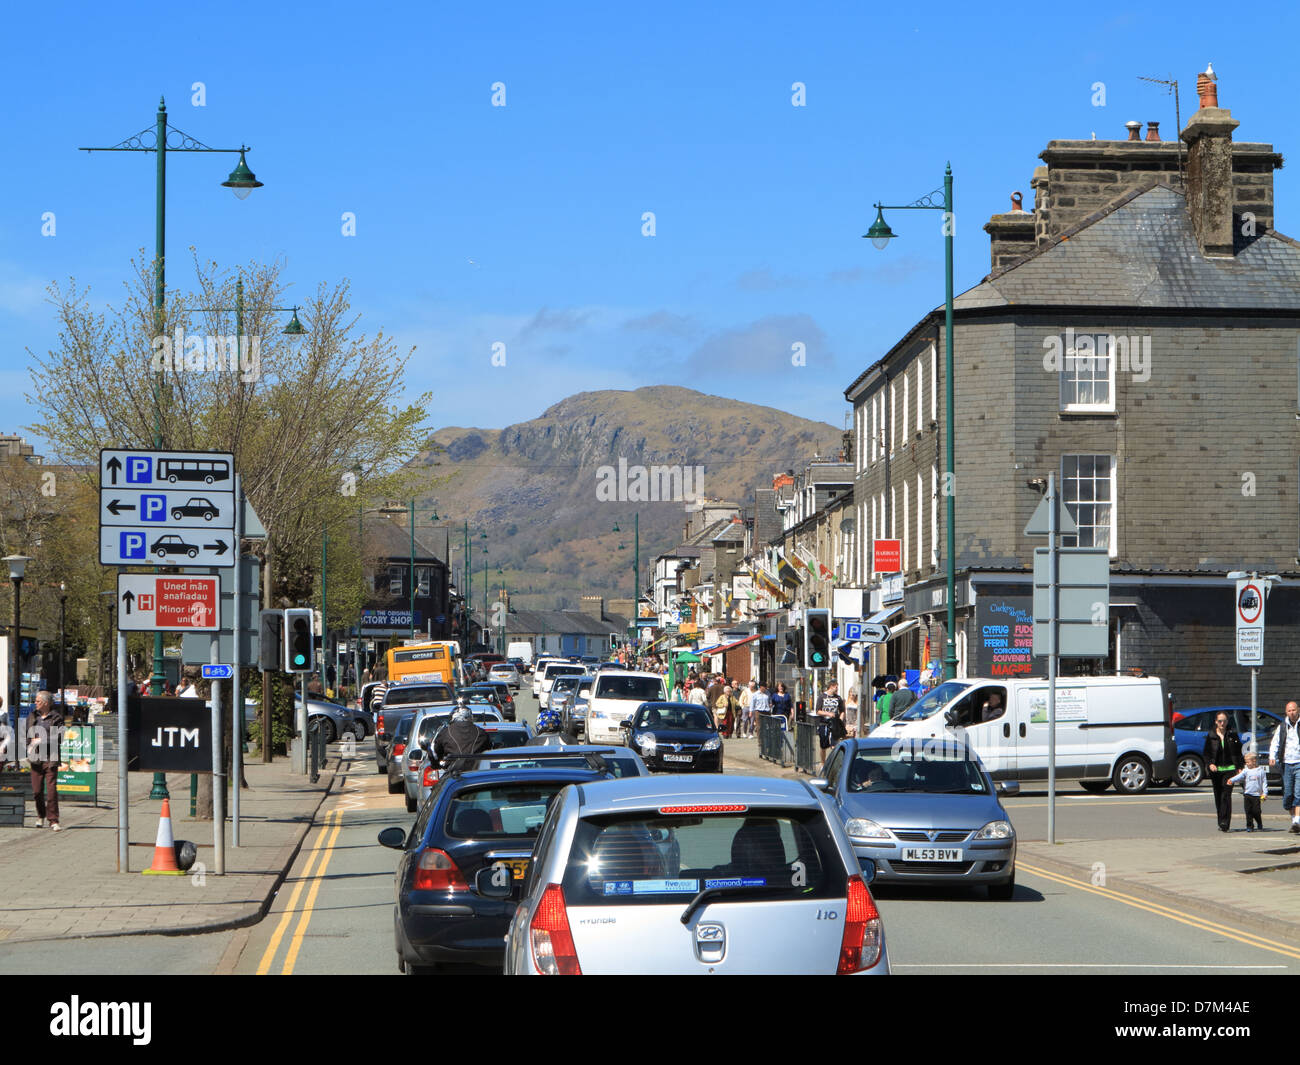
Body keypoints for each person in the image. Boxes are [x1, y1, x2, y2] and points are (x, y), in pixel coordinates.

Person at [28, 691, 64, 831]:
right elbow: (26, 735)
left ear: (46, 703)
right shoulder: (32, 716)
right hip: (36, 758)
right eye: (35, 701)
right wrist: (28, 746)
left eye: (38, 701)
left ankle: (53, 820)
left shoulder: (56, 718)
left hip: (51, 758)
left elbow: (59, 738)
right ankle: (41, 815)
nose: (35, 703)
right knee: (37, 791)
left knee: (51, 790)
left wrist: (42, 740)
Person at [1205, 710, 1243, 832]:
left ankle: (1225, 822)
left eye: (1224, 721)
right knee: (1218, 795)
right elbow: (1206, 753)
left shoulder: (1232, 734)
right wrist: (1210, 764)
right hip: (1216, 771)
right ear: (1216, 722)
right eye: (1220, 721)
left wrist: (1239, 766)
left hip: (1230, 770)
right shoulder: (1211, 735)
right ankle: (1220, 820)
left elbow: (1238, 752)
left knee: (1226, 795)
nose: (1222, 723)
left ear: (1227, 721)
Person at [1269, 701, 1300, 833]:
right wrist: (1272, 756)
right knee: (1288, 794)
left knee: (1298, 792)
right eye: (1289, 711)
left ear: (1298, 710)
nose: (1291, 713)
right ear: (1286, 712)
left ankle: (1297, 821)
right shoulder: (1282, 727)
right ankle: (1294, 820)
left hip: (1299, 762)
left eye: (1293, 710)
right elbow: (1275, 742)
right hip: (1286, 763)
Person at [1227, 753, 1268, 832]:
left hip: (1257, 795)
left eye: (1248, 762)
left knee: (1256, 811)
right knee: (1248, 811)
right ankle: (1249, 826)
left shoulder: (1260, 771)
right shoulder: (1246, 770)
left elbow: (1264, 782)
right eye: (1246, 762)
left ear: (1254, 761)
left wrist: (1265, 793)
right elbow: (1239, 776)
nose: (1247, 764)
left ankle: (1259, 822)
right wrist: (1231, 780)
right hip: (1247, 794)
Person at [815, 682, 843, 755]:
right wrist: (828, 714)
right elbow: (817, 711)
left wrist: (840, 720)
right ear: (831, 686)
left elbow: (842, 711)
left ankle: (833, 764)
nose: (837, 689)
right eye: (836, 687)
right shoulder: (822, 697)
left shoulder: (838, 698)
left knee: (835, 745)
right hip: (824, 723)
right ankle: (823, 764)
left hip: (835, 724)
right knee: (823, 746)